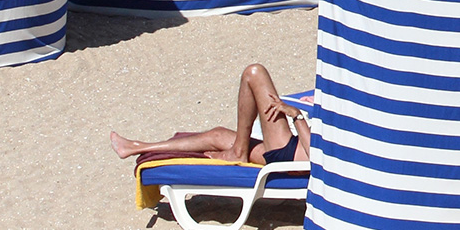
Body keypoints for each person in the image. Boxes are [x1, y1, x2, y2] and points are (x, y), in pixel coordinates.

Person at [109, 64, 311, 167]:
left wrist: (298, 117)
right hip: (288, 150)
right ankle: (137, 147)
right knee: (217, 135)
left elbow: (316, 153)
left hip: (288, 153)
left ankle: (238, 152)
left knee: (254, 73)